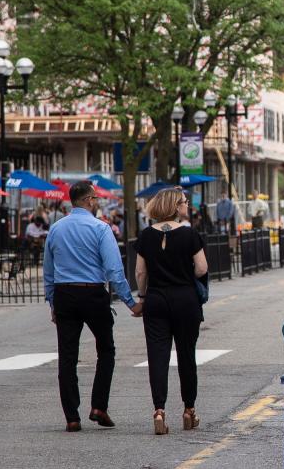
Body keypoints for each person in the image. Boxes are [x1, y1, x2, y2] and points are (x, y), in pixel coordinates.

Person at [44, 181, 142, 433]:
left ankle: (71, 416)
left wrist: (53, 302)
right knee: (106, 350)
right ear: (88, 200)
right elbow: (113, 270)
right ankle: (99, 406)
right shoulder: (101, 228)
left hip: (65, 293)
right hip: (93, 293)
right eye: (95, 198)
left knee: (67, 356)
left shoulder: (55, 229)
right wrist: (131, 303)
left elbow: (48, 271)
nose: (97, 202)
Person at [135, 186, 209, 435]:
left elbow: (140, 272)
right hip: (185, 299)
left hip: (156, 299)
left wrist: (143, 297)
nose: (187, 205)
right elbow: (201, 268)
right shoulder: (189, 235)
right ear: (175, 206)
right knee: (187, 355)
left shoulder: (145, 236)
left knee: (158, 356)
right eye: (184, 202)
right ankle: (189, 410)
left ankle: (159, 410)